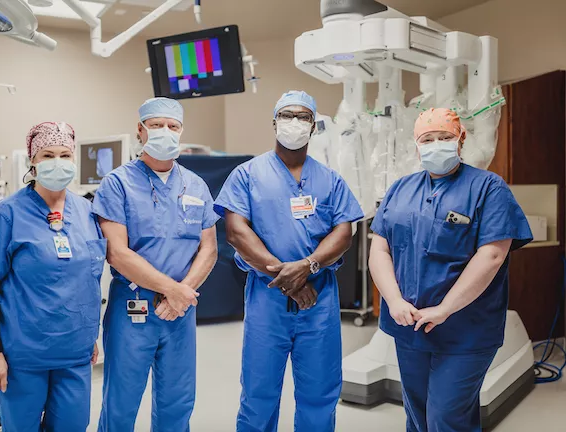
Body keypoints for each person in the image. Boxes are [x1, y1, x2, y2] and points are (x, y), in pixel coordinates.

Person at [369, 108, 533, 432]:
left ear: (461, 139)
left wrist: (445, 308)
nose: (436, 145)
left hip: (466, 329)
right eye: (427, 139)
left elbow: (492, 255)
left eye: (444, 137)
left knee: (446, 417)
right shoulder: (400, 189)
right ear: (417, 146)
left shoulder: (488, 187)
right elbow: (379, 249)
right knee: (417, 415)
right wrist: (394, 300)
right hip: (410, 326)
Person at [214, 91, 364, 432]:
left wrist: (308, 266)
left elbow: (344, 233)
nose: (294, 123)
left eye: (303, 117)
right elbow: (236, 232)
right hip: (267, 296)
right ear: (274, 123)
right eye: (287, 115)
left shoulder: (330, 179)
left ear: (313, 126)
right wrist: (289, 281)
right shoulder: (247, 174)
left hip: (319, 297)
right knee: (259, 392)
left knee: (320, 392)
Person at [93, 97, 219, 431]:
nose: (165, 131)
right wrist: (172, 291)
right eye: (157, 125)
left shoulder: (196, 185)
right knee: (121, 403)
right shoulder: (117, 184)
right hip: (133, 307)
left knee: (177, 402)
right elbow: (117, 252)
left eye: (172, 126)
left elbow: (209, 248)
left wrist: (182, 293)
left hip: (180, 310)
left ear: (181, 131)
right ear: (140, 130)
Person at [0, 122, 105, 431]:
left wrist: (90, 337)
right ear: (33, 160)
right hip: (22, 356)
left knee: (73, 425)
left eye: (65, 155)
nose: (58, 162)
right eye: (48, 155)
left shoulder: (87, 213)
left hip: (75, 352)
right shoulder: (6, 215)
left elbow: (86, 282)